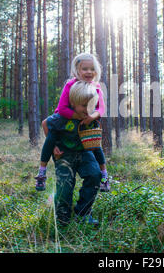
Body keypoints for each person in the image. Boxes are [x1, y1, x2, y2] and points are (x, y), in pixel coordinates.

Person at [35, 53, 110, 192]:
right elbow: (62, 108)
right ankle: (42, 171)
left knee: (96, 145)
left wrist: (91, 117)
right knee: (51, 136)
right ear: (77, 69)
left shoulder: (96, 87)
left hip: (86, 121)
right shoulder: (70, 84)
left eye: (92, 69)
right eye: (85, 68)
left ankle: (104, 176)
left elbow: (101, 108)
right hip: (64, 120)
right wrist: (77, 116)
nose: (89, 72)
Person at [41, 81, 102, 226]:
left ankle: (83, 213)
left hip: (84, 152)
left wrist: (103, 170)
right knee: (65, 185)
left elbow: (96, 144)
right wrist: (54, 146)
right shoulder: (62, 117)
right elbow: (45, 123)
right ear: (73, 103)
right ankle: (63, 217)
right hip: (64, 155)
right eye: (84, 105)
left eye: (91, 105)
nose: (87, 109)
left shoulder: (90, 118)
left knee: (94, 175)